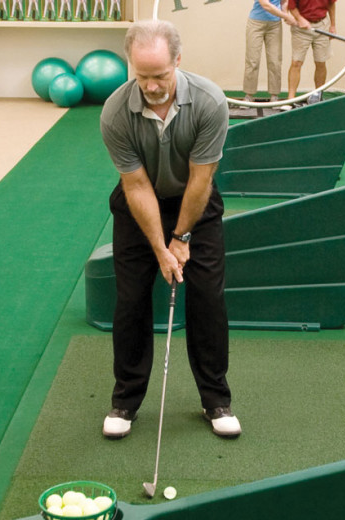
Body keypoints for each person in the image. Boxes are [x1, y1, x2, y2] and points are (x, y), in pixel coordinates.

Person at [99, 19, 241, 440]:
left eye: (160, 75)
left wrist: (180, 238)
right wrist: (160, 248)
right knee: (131, 299)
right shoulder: (115, 112)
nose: (152, 86)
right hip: (138, 206)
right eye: (142, 76)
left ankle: (216, 399)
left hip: (194, 200)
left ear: (178, 61)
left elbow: (201, 181)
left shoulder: (211, 102)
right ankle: (125, 402)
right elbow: (136, 185)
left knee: (207, 296)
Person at [243, 0, 297, 102]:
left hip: (274, 25)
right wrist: (286, 16)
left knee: (275, 61)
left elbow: (284, 1)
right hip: (256, 23)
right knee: (252, 60)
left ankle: (274, 95)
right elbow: (266, 5)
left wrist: (285, 13)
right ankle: (249, 95)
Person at [286, 0, 336, 102]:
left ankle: (318, 96)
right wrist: (300, 19)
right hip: (301, 28)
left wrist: (333, 25)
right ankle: (290, 99)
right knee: (296, 62)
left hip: (322, 25)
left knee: (320, 62)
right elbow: (292, 7)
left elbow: (331, 4)